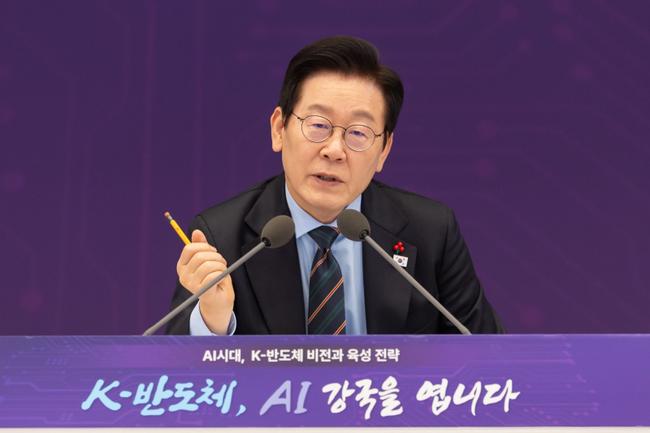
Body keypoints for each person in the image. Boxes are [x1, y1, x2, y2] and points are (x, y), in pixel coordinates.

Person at [165, 36, 503, 335]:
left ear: (384, 150)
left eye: (358, 133)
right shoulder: (222, 237)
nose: (334, 150)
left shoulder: (431, 232)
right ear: (279, 129)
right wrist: (213, 321)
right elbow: (175, 371)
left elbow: (489, 356)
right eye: (318, 125)